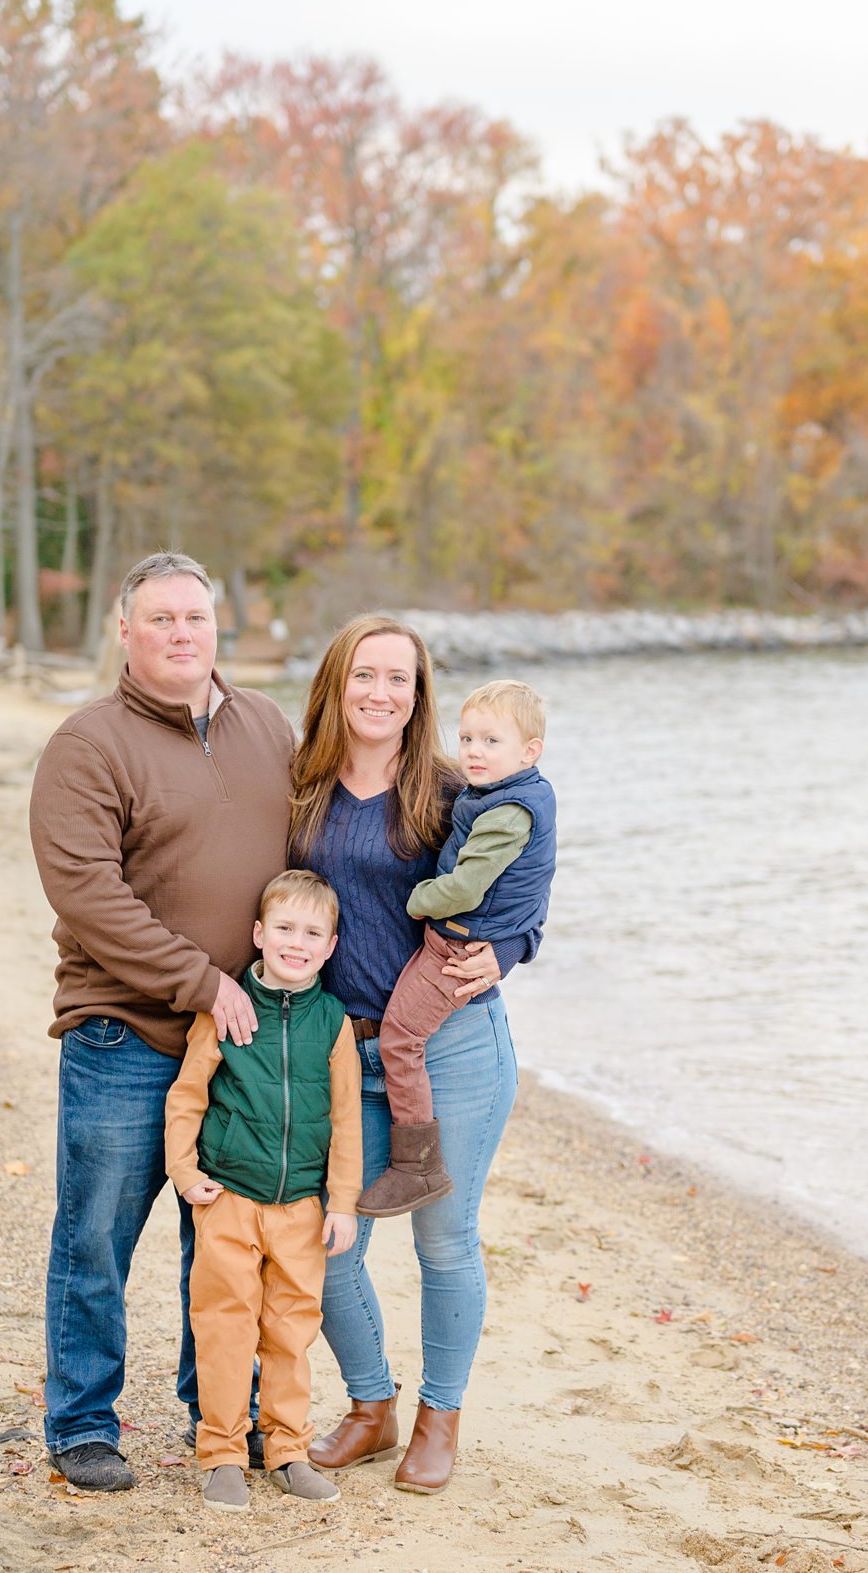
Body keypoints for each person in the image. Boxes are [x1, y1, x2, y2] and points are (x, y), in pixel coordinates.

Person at [27, 551, 294, 1493]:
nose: (182, 634)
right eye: (162, 619)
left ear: (217, 626)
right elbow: (89, 894)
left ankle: (219, 1416)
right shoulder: (88, 744)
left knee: (224, 1245)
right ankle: (82, 1423)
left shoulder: (265, 724)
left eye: (196, 617)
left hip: (242, 1043)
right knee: (96, 1235)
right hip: (126, 1034)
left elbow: (320, 853)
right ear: (126, 633)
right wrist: (200, 980)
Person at [292, 616, 522, 1495]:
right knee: (330, 1239)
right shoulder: (301, 787)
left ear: (420, 693)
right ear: (336, 682)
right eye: (365, 674)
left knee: (445, 1240)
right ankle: (371, 1405)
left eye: (401, 678)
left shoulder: (455, 789)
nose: (382, 692)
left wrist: (517, 944)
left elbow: (525, 879)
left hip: (454, 1047)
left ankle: (440, 1416)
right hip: (342, 1053)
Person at [166, 869, 361, 1512]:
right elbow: (188, 1094)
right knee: (223, 1327)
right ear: (258, 934)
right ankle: (222, 1452)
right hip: (229, 1201)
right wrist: (185, 1172)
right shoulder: (226, 1009)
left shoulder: (332, 1022)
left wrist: (343, 1203)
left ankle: (287, 1451)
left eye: (312, 933)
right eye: (284, 928)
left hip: (302, 1208)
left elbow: (345, 1119)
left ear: (331, 946)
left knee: (290, 1333)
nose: (296, 943)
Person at [354, 680, 556, 1218]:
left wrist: (509, 945)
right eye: (467, 738)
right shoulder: (482, 791)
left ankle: (417, 1165)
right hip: (440, 948)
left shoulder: (502, 805)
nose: (473, 751)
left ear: (528, 752)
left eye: (491, 741)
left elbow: (515, 888)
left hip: (455, 951)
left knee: (401, 1037)